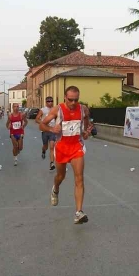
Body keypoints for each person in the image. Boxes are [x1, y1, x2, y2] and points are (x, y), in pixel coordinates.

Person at [39, 86, 93, 224]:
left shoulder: (83, 109)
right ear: (65, 97)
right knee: (60, 176)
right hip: (62, 148)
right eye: (70, 100)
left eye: (76, 100)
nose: (73, 103)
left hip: (76, 147)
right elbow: (41, 125)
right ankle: (55, 189)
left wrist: (86, 132)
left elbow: (86, 121)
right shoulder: (57, 109)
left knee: (79, 179)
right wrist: (52, 128)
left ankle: (78, 212)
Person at [35, 96, 56, 170]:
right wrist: (43, 123)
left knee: (52, 146)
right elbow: (37, 119)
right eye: (48, 101)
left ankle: (52, 163)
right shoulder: (42, 110)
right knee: (46, 146)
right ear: (46, 102)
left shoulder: (55, 109)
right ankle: (43, 150)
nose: (50, 103)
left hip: (52, 130)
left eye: (51, 101)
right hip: (44, 130)